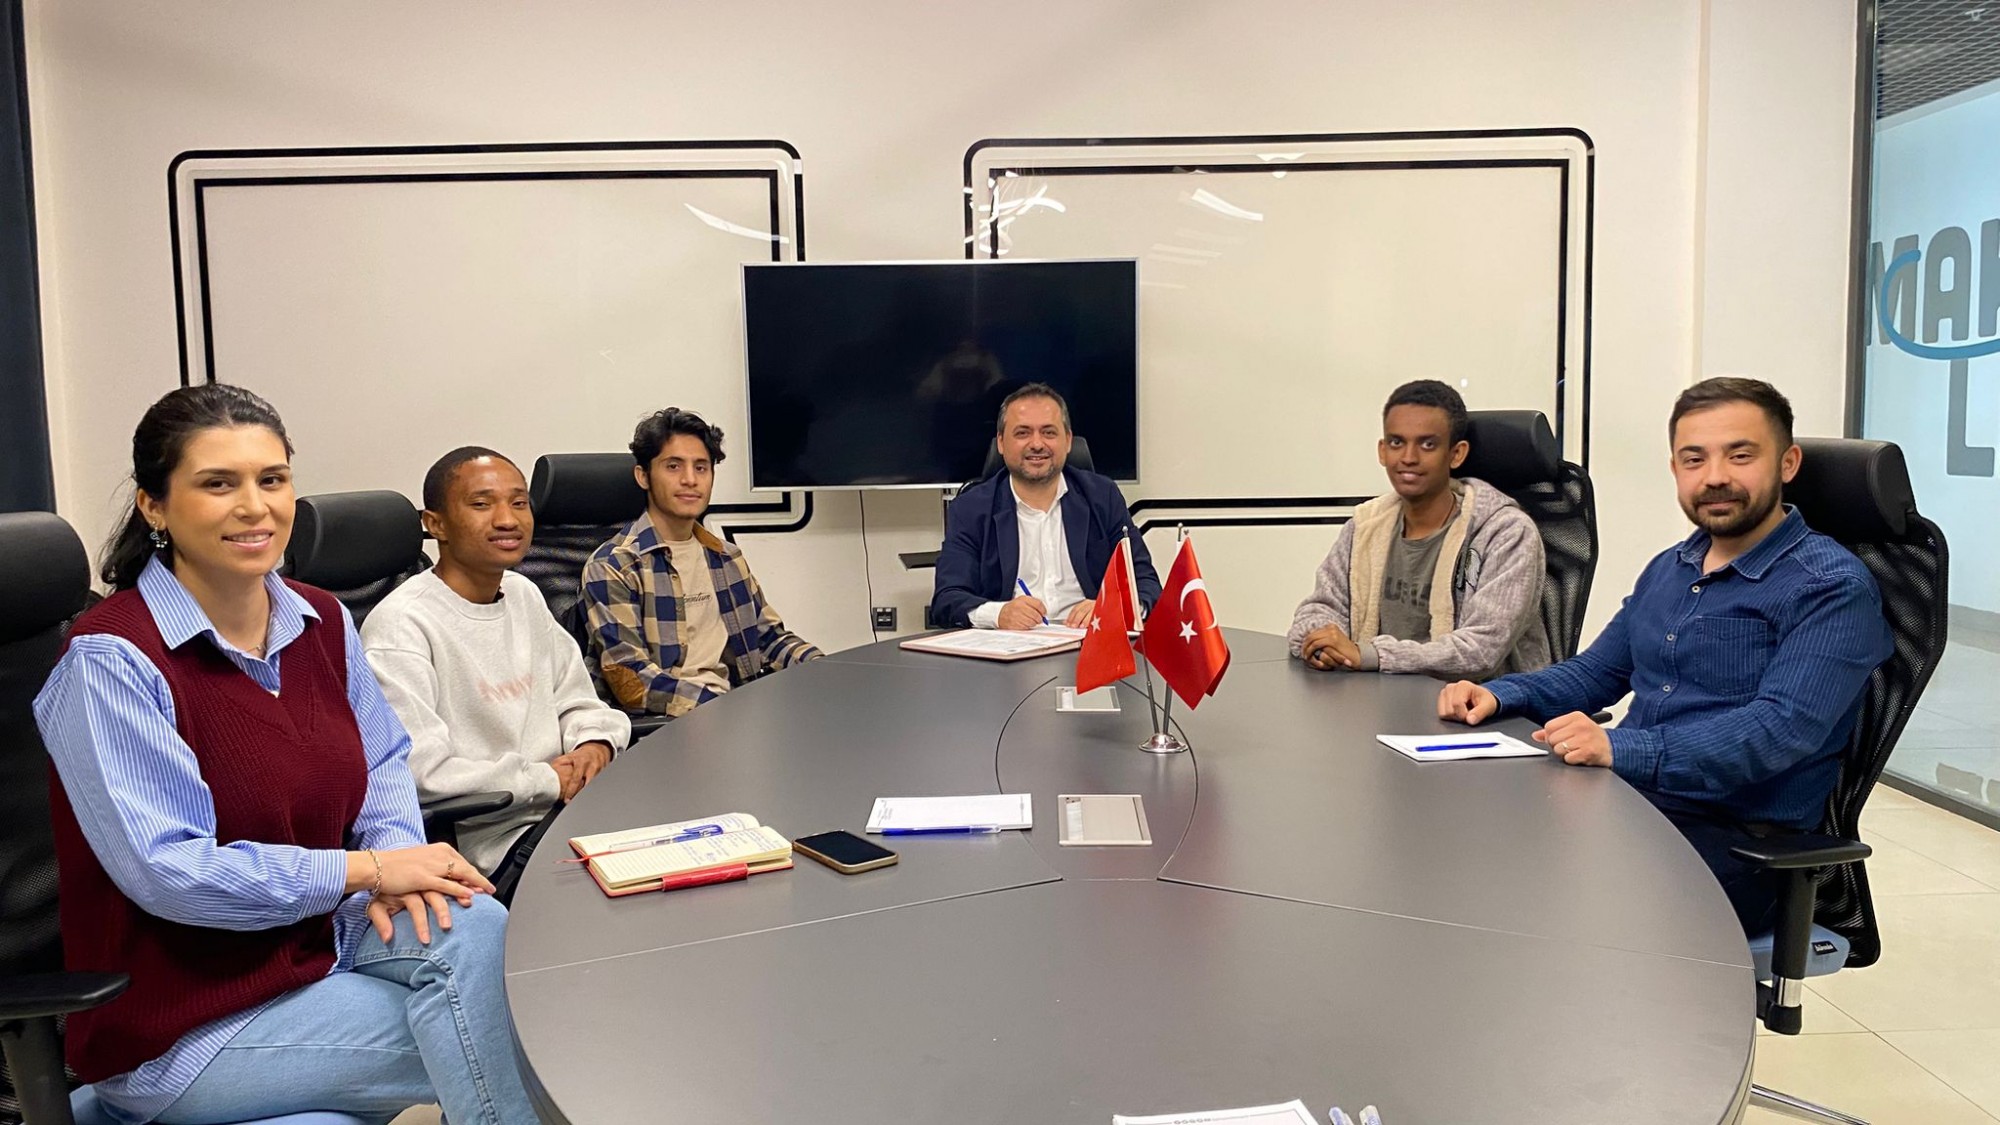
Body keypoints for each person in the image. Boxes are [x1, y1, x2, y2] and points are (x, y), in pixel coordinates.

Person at [33, 385, 537, 1123]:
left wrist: (401, 867)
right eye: (218, 484)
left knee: (477, 928)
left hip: (314, 947)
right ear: (154, 506)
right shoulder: (111, 659)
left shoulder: (321, 619)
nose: (255, 507)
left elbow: (381, 761)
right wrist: (366, 871)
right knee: (500, 1027)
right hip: (186, 1025)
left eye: (271, 479)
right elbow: (172, 871)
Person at [1436, 377, 1894, 934]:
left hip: (1735, 848)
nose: (1715, 476)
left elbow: (1777, 731)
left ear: (1788, 463)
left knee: (1516, 900)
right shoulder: (1671, 566)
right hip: (1632, 807)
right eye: (1694, 459)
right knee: (1455, 841)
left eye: (1740, 455)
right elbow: (1598, 673)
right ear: (1676, 469)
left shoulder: (1831, 588)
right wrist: (1498, 693)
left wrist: (1619, 747)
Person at [361, 446, 630, 899]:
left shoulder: (523, 594)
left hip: (575, 813)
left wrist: (594, 743)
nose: (507, 519)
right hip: (495, 849)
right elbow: (421, 772)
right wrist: (546, 780)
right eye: (482, 504)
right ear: (435, 524)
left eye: (519, 502)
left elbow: (579, 700)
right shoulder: (402, 625)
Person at [1288, 380, 1551, 679]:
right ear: (1382, 451)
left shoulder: (1506, 533)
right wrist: (1323, 644)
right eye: (1396, 443)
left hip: (1480, 702)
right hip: (1373, 696)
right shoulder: (1365, 526)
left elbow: (1480, 651)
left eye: (1427, 444)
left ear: (1456, 454)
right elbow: (1318, 608)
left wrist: (1370, 655)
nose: (1408, 458)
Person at [583, 407, 822, 719]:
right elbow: (632, 680)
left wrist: (825, 668)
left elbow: (768, 639)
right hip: (668, 725)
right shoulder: (613, 566)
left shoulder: (726, 557)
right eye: (673, 466)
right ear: (643, 476)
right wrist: (726, 708)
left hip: (736, 712)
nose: (690, 480)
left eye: (701, 467)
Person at [931, 382, 1161, 630]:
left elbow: (1146, 584)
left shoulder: (1102, 496)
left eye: (1049, 433)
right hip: (1009, 642)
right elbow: (947, 599)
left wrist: (1113, 607)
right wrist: (999, 614)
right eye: (1022, 433)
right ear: (1001, 442)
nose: (1037, 444)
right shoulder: (971, 508)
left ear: (1068, 441)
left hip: (1090, 640)